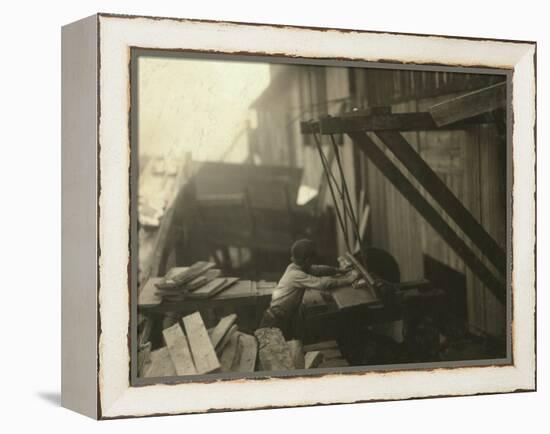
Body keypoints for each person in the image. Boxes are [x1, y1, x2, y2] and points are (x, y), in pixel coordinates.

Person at [260, 239, 359, 340]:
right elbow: (322, 284)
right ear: (307, 260)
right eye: (312, 260)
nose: (313, 263)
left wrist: (339, 270)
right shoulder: (295, 274)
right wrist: (348, 279)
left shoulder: (296, 267)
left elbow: (318, 270)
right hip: (274, 322)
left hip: (282, 318)